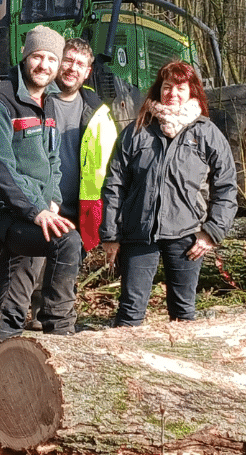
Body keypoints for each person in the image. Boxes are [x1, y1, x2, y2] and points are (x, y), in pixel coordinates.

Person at [99, 61, 238, 326]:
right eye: (166, 87)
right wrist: (110, 234)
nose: (172, 93)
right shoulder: (137, 130)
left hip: (187, 235)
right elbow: (114, 183)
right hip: (139, 232)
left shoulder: (206, 133)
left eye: (180, 87)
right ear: (157, 90)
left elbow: (227, 186)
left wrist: (212, 232)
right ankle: (125, 365)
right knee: (129, 312)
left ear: (192, 92)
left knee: (183, 312)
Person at [0, 25, 83, 357]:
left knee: (21, 271)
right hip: (5, 212)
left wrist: (51, 199)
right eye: (38, 56)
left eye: (52, 58)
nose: (45, 65)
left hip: (37, 210)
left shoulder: (47, 102)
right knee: (67, 241)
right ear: (25, 57)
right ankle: (59, 329)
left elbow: (53, 161)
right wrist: (37, 210)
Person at [22, 38, 120, 329]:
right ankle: (34, 324)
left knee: (66, 272)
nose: (72, 68)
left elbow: (109, 165)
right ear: (57, 62)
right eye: (68, 60)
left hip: (79, 207)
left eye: (80, 64)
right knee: (33, 271)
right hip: (40, 203)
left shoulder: (98, 111)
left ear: (87, 72)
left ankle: (58, 325)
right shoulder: (38, 100)